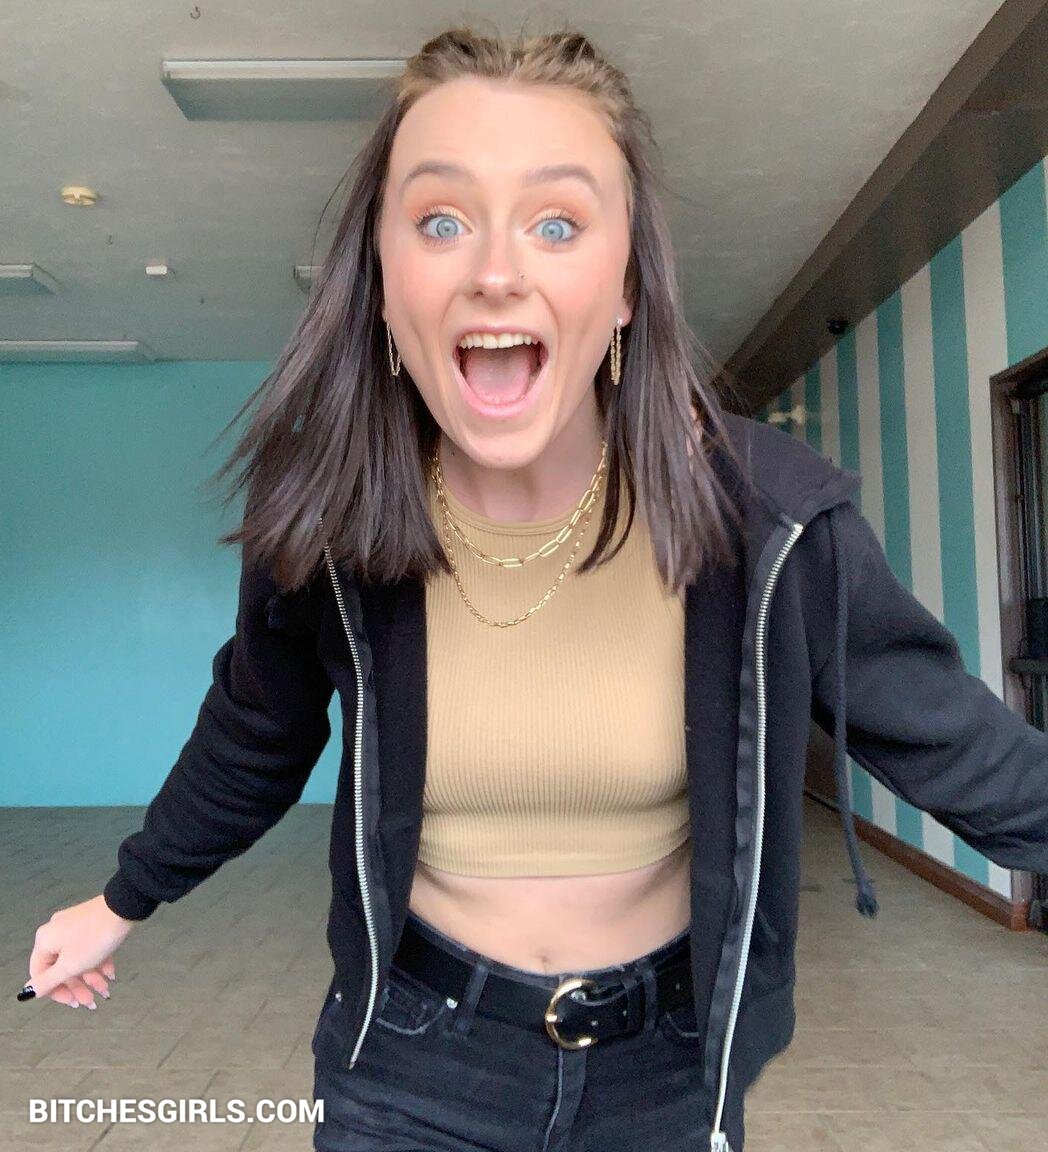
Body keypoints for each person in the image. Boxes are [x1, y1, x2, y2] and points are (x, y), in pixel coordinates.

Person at [18, 22, 1048, 1152]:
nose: (496, 271)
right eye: (440, 221)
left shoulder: (770, 520)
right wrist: (122, 898)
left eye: (557, 223)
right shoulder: (329, 520)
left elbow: (954, 745)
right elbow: (255, 732)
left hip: (668, 1072)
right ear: (381, 282)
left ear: (626, 286)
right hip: (408, 1063)